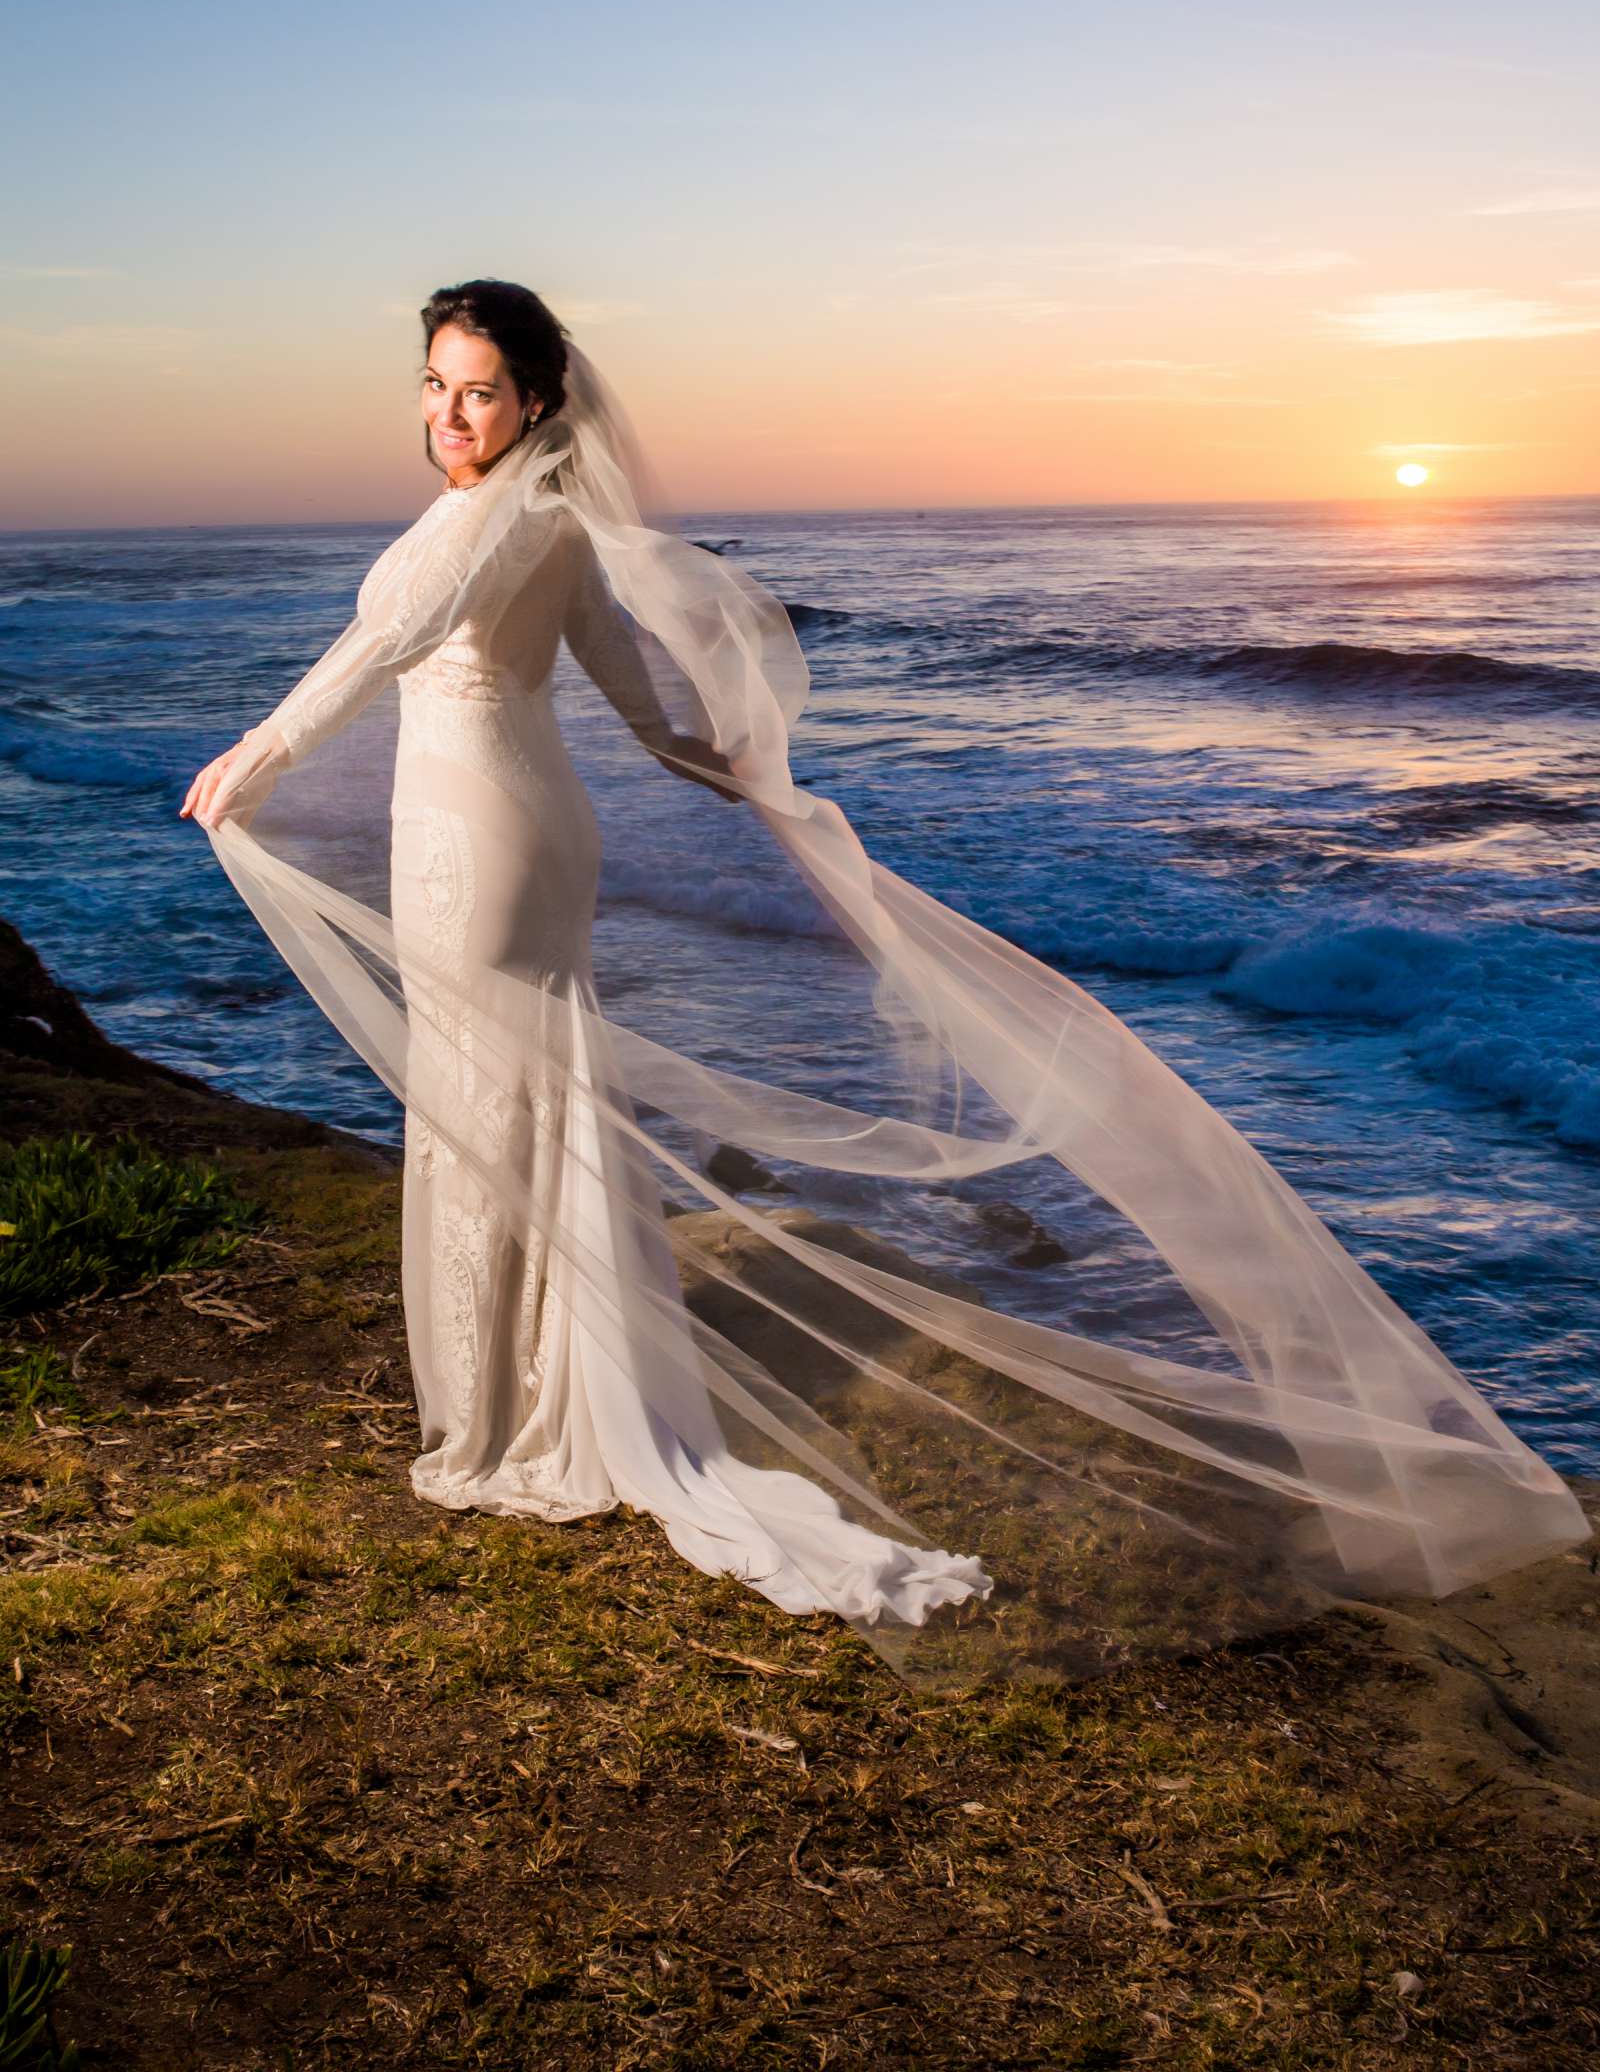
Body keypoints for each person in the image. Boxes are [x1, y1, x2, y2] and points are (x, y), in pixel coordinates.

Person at [180, 280, 1589, 1691]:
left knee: (488, 1111)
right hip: (529, 830)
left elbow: (378, 649)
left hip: (478, 844)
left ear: (537, 401)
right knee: (523, 1105)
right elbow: (633, 696)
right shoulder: (545, 522)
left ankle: (509, 1430)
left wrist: (253, 760)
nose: (447, 414)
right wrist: (733, 773)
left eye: (476, 389)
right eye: (433, 384)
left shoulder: (498, 523)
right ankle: (539, 1408)